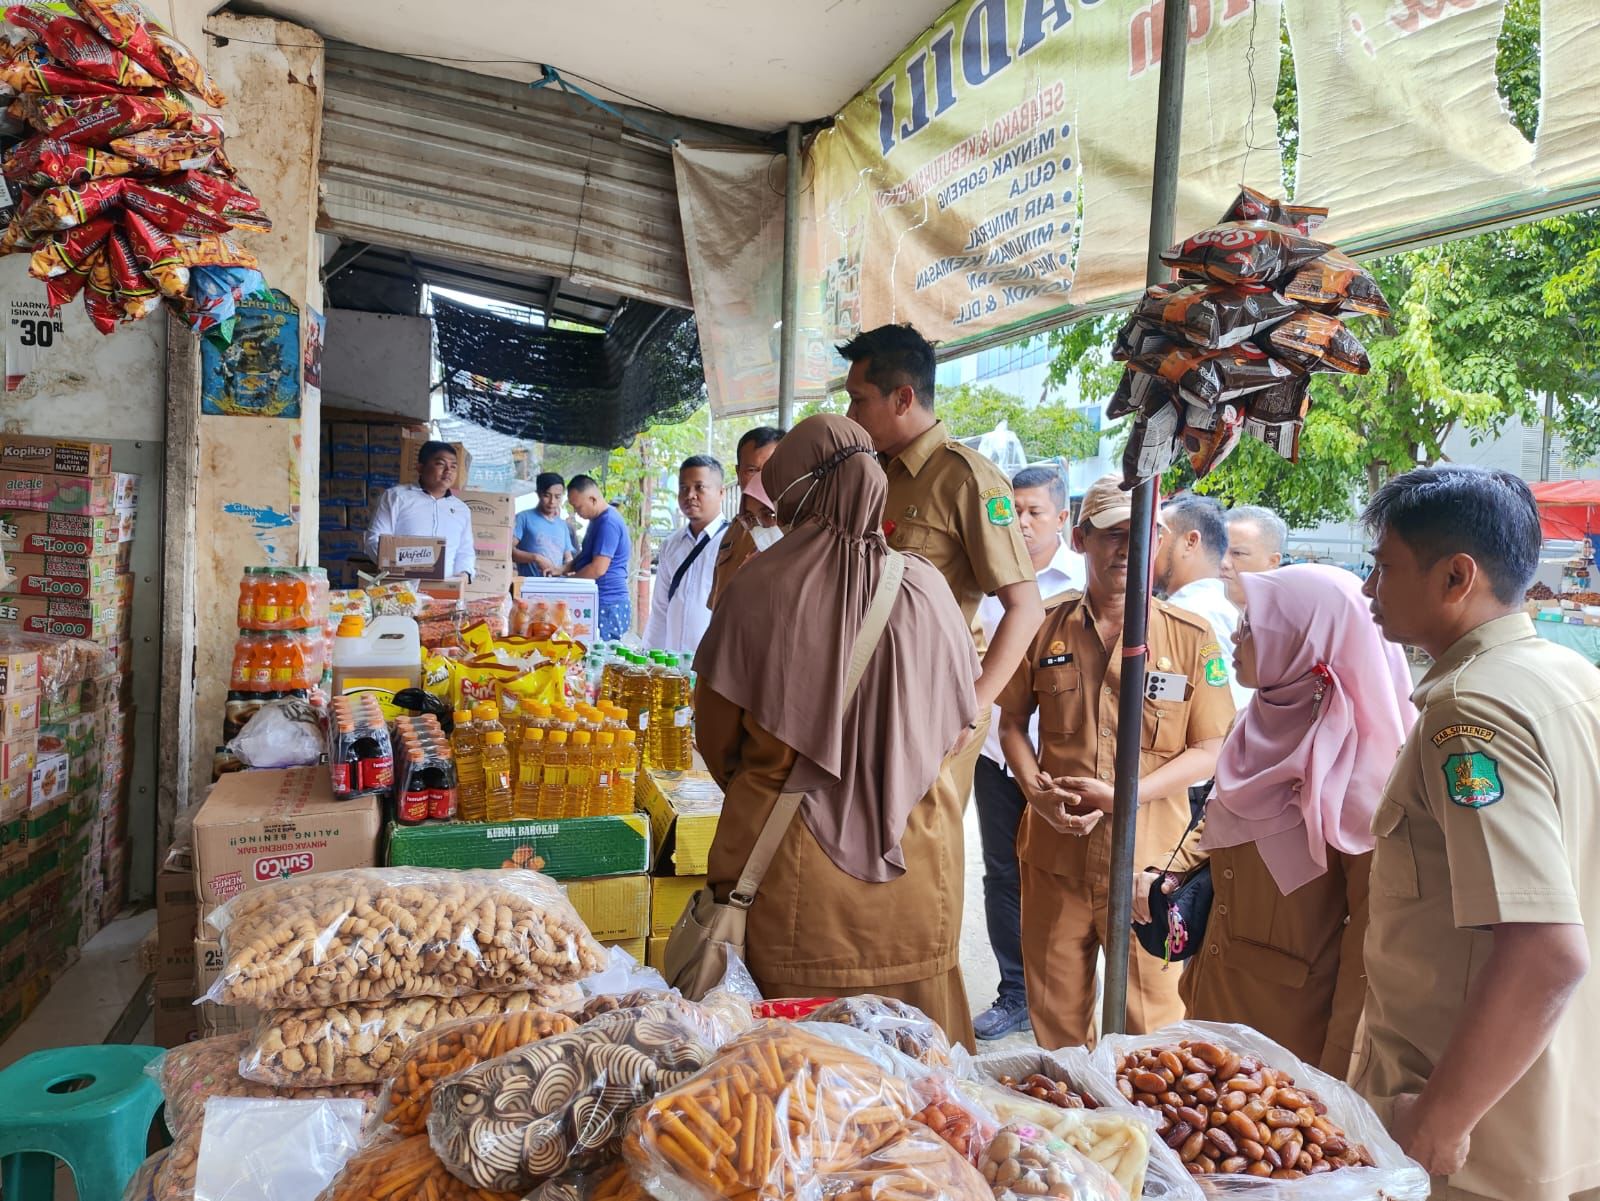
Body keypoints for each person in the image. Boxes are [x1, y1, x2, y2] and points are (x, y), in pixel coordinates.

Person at [695, 415, 982, 1045]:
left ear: (800, 492)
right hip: (917, 872)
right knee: (923, 1102)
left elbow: (716, 742)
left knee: (794, 1099)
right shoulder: (930, 588)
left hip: (794, 884)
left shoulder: (762, 587)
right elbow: (963, 723)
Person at [1355, 465, 1600, 1201]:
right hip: (1559, 1113)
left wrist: (1439, 1119)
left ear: (1456, 576)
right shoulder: (1569, 674)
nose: (1369, 589)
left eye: (1385, 567)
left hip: (1478, 1144)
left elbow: (1545, 949)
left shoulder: (1469, 710)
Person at [997, 475, 1235, 1050]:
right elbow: (1007, 723)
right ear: (1081, 539)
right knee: (1056, 1022)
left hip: (1149, 868)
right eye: (1113, 535)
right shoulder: (1044, 626)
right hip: (1057, 854)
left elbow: (1211, 747)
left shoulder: (1190, 637)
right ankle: (1076, 1133)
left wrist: (1128, 797)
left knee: (1149, 1027)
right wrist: (1035, 791)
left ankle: (1139, 1137)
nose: (1128, 549)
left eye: (1144, 535)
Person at [1174, 564, 1415, 1077]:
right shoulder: (1255, 724)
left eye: (1254, 626)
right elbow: (1226, 819)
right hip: (1213, 996)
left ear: (1309, 639)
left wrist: (1335, 1074)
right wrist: (1171, 872)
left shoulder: (1365, 770)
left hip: (1292, 1038)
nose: (1236, 637)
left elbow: (1370, 945)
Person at [841, 323, 1043, 809]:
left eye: (859, 399)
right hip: (867, 691)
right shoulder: (872, 475)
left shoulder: (967, 480)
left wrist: (973, 704)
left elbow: (1026, 607)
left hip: (932, 702)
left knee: (921, 857)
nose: (849, 415)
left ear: (903, 398)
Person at [972, 465, 1084, 1040]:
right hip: (997, 755)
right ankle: (1015, 993)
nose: (1021, 521)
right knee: (1002, 876)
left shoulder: (1088, 584)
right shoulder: (988, 581)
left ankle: (1063, 997)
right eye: (1012, 510)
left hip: (1069, 768)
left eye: (1034, 511)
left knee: (1066, 880)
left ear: (1062, 517)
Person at [1154, 494, 1250, 709]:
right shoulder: (1220, 608)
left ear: (1191, 542)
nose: (1151, 547)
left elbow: (1218, 703)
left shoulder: (1185, 614)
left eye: (1159, 535)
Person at [644, 455, 729, 656]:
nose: (690, 495)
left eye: (699, 487)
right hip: (673, 666)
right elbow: (660, 609)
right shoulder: (671, 545)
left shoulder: (734, 541)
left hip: (712, 664)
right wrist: (649, 656)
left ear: (721, 492)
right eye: (684, 488)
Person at [364, 440, 475, 579]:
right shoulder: (396, 497)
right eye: (440, 464)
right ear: (420, 468)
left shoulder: (461, 510)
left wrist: (464, 575)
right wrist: (399, 566)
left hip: (445, 592)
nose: (448, 471)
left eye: (453, 467)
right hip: (402, 589)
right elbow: (374, 540)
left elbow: (465, 551)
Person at [709, 426, 785, 610]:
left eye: (770, 469)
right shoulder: (735, 529)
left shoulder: (795, 528)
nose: (761, 479)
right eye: (752, 470)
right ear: (738, 473)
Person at [562, 475, 632, 641]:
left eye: (578, 507)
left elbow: (597, 568)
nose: (576, 513)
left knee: (602, 657)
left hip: (608, 603)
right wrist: (564, 568)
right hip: (599, 599)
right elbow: (586, 555)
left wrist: (567, 585)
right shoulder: (596, 520)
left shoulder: (608, 523)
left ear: (592, 499)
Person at [1221, 504, 1287, 608]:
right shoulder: (1193, 611)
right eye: (1219, 551)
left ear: (1272, 562)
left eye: (1237, 553)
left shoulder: (1288, 619)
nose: (1223, 563)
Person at [512, 472, 576, 578]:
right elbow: (508, 552)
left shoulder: (562, 525)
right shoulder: (523, 518)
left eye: (557, 497)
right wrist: (535, 558)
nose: (552, 501)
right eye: (547, 495)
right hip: (530, 586)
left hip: (556, 587)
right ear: (538, 493)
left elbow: (568, 557)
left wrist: (570, 569)